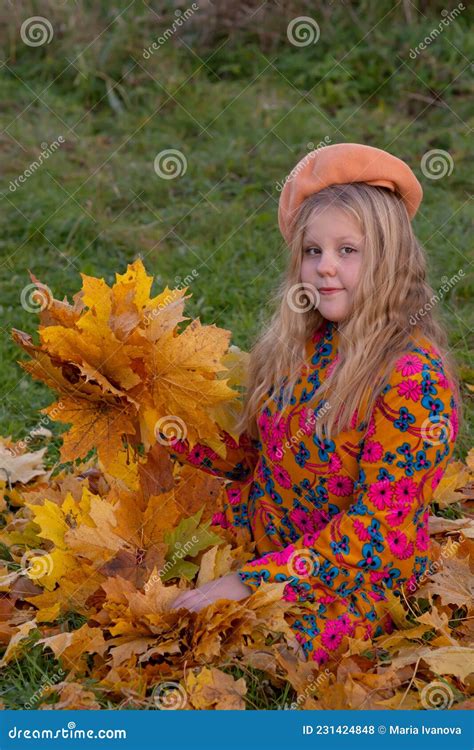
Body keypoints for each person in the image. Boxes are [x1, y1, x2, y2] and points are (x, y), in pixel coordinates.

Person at [166, 142, 462, 666]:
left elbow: (381, 527)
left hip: (354, 572)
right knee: (147, 553)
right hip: (266, 529)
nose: (325, 268)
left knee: (257, 647)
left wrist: (250, 582)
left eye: (348, 251)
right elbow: (259, 457)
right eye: (312, 250)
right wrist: (170, 432)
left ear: (391, 261)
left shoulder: (414, 380)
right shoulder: (306, 343)